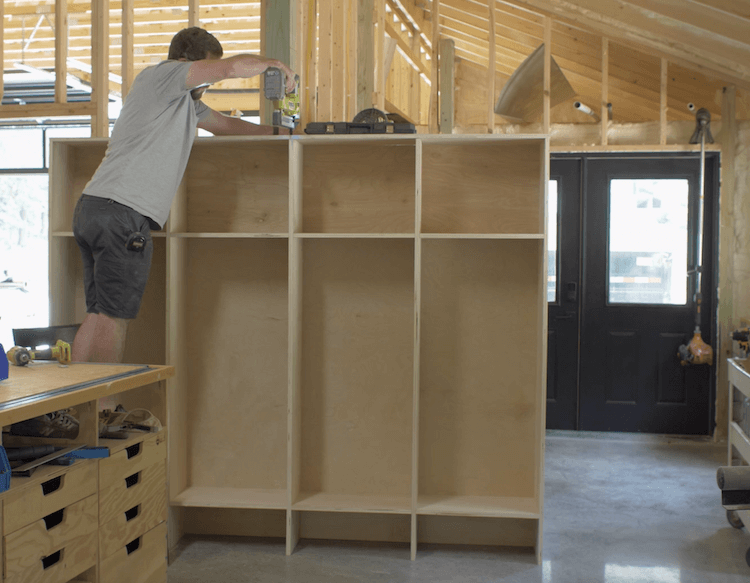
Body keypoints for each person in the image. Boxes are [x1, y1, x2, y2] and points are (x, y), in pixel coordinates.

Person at [71, 27, 297, 363]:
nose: (205, 86)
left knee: (99, 313)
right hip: (122, 213)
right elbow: (230, 68)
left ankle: (76, 409)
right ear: (183, 62)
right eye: (204, 74)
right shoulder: (163, 77)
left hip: (97, 209)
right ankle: (103, 412)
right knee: (113, 318)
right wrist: (273, 63)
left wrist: (285, 133)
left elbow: (228, 126)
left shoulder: (184, 105)